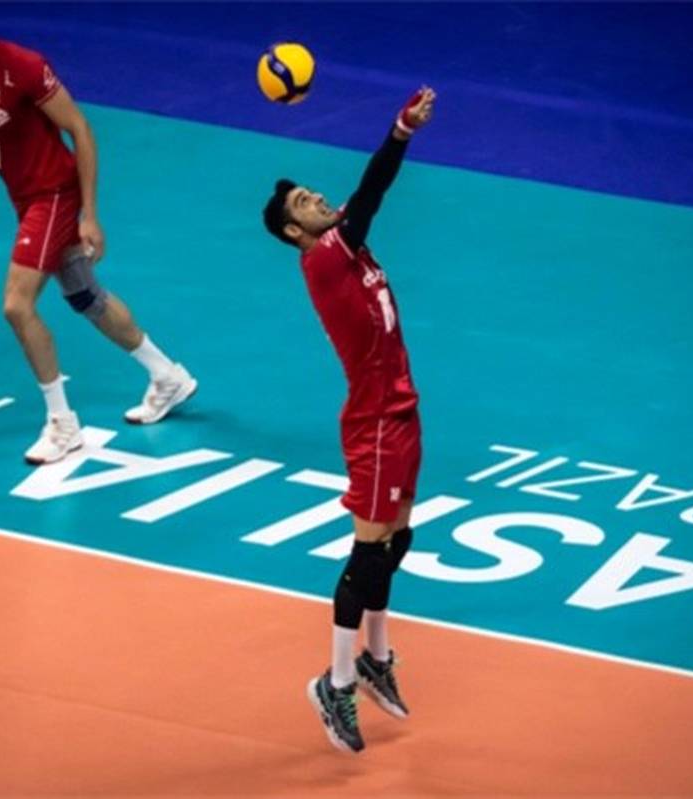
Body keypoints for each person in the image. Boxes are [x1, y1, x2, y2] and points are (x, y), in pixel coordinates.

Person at [0, 0, 197, 465]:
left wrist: (89, 214)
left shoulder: (23, 67)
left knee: (16, 305)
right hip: (24, 199)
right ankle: (167, 376)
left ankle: (62, 424)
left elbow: (80, 129)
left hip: (53, 194)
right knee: (85, 296)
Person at [262, 87, 436, 753]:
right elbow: (372, 192)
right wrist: (400, 131)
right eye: (304, 203)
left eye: (312, 194)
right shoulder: (326, 257)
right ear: (294, 232)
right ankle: (335, 682)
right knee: (369, 552)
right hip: (376, 422)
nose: (317, 199)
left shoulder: (352, 251)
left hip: (404, 410)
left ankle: (376, 657)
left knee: (397, 540)